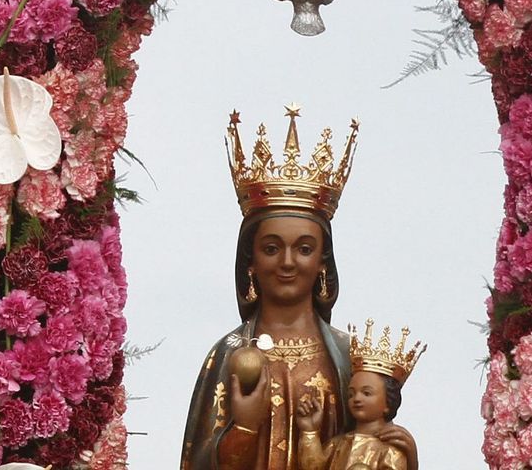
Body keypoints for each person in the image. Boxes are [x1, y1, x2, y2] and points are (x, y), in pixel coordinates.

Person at [180, 107, 417, 470]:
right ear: (250, 260)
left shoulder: (347, 355)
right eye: (272, 248)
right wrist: (243, 427)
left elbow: (370, 451)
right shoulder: (228, 353)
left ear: (323, 260)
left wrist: (407, 455)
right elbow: (197, 463)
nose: (287, 262)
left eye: (304, 249)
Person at [294, 321, 425, 470]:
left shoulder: (390, 449)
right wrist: (309, 431)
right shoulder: (338, 444)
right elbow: (313, 467)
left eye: (366, 393)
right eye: (351, 394)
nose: (356, 399)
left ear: (388, 402)